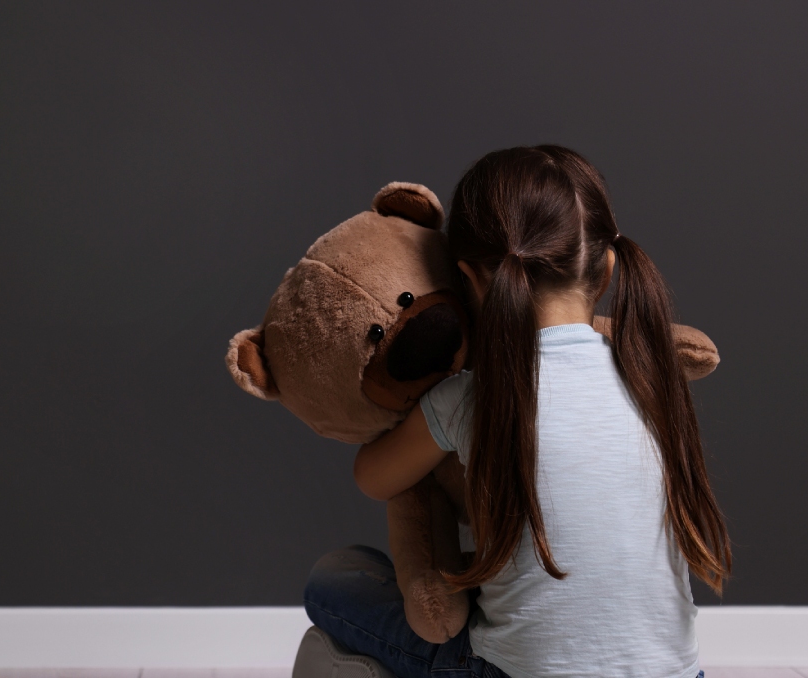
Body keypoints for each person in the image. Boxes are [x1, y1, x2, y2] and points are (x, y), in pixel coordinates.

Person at [301, 145, 731, 678]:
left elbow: (373, 477)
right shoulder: (655, 381)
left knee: (333, 579)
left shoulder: (468, 396)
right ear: (608, 270)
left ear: (472, 280)